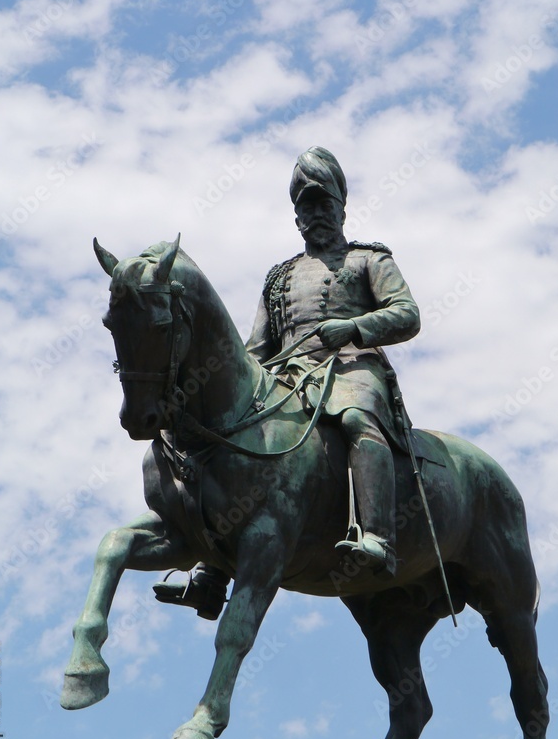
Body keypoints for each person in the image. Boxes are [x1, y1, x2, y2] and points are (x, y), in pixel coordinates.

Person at [155, 146, 420, 617]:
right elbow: (256, 349)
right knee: (231, 442)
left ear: (341, 205)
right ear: (295, 215)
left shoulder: (368, 260)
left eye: (322, 203)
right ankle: (212, 569)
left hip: (352, 369)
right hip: (289, 379)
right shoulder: (278, 276)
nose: (314, 214)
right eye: (305, 206)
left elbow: (406, 314)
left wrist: (354, 328)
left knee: (359, 419)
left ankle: (378, 535)